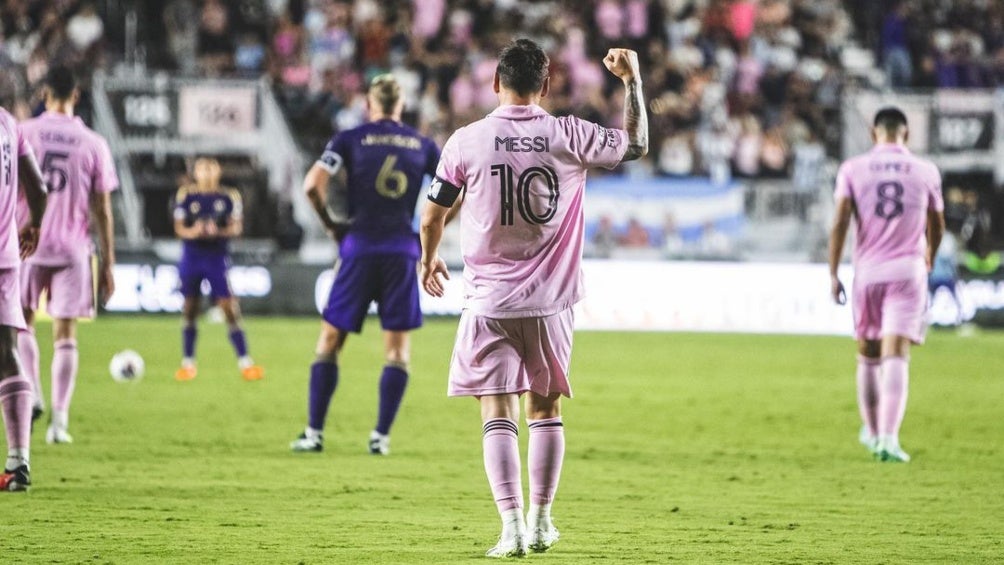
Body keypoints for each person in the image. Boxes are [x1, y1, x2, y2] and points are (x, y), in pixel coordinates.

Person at [420, 39, 648, 557]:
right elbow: (635, 145)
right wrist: (632, 83)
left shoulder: (466, 140)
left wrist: (428, 257)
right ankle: (544, 521)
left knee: (496, 410)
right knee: (544, 409)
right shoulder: (570, 133)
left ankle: (511, 528)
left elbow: (433, 213)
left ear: (496, 83)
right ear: (546, 86)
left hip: (488, 303)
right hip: (551, 304)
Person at [290, 74, 440, 456]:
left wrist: (332, 226)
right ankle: (380, 437)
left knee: (329, 342)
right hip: (402, 252)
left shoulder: (350, 138)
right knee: (397, 351)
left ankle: (313, 433)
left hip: (358, 248)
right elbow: (456, 194)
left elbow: (312, 185)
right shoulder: (423, 146)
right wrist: (427, 236)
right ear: (400, 106)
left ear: (370, 106)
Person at [828, 107, 944, 463]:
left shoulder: (853, 168)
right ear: (905, 134)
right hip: (908, 271)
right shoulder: (925, 170)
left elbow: (841, 222)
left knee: (868, 354)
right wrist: (930, 255)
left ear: (874, 134)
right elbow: (937, 223)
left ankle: (872, 430)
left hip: (868, 273)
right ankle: (889, 439)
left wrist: (833, 272)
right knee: (897, 353)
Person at [15, 67, 118, 445]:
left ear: (44, 94)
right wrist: (108, 262)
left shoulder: (23, 132)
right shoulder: (93, 143)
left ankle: (34, 394)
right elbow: (103, 209)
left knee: (21, 323)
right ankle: (59, 423)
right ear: (75, 95)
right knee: (65, 333)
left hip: (26, 242)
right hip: (74, 249)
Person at [173, 157, 263, 382]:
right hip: (192, 256)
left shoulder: (228, 196)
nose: (206, 173)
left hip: (216, 257)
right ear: (196, 172)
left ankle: (245, 362)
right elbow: (179, 228)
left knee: (228, 306)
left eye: (210, 168)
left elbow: (236, 227)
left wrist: (218, 232)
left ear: (218, 171)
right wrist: (194, 231)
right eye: (202, 168)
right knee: (190, 308)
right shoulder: (186, 195)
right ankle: (188, 363)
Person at [0, 104, 47, 491]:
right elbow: (39, 187)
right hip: (6, 255)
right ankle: (18, 463)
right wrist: (34, 226)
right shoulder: (8, 123)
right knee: (6, 350)